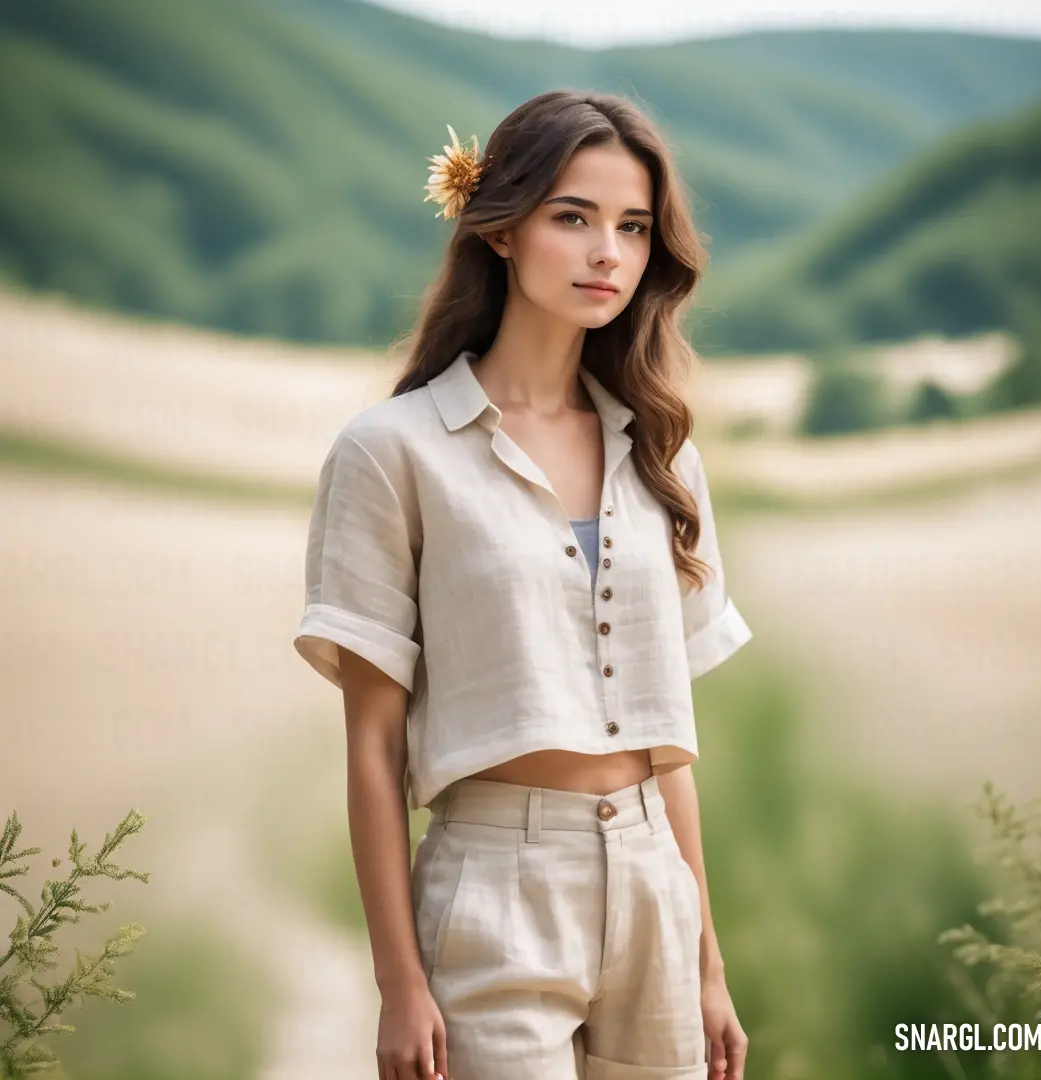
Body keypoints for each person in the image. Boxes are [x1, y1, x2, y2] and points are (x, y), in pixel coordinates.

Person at [294, 90, 753, 1080]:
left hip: (652, 891)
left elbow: (665, 746)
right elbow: (372, 743)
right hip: (493, 888)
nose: (608, 254)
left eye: (633, 228)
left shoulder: (661, 455)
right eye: (573, 217)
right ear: (499, 230)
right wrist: (400, 981)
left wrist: (709, 964)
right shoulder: (394, 452)